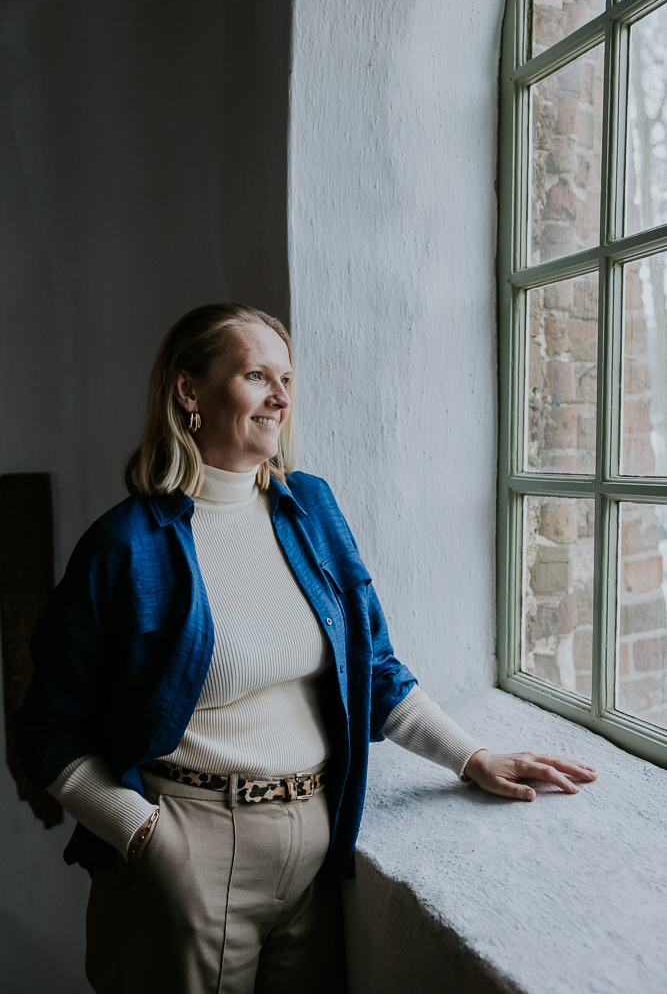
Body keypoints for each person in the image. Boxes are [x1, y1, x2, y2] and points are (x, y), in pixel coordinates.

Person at [15, 304, 597, 994]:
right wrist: (144, 835)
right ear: (189, 392)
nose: (281, 397)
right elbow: (48, 725)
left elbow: (371, 665)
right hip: (188, 840)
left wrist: (471, 757)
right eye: (256, 375)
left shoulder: (310, 509)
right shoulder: (124, 545)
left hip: (314, 837)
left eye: (286, 378)